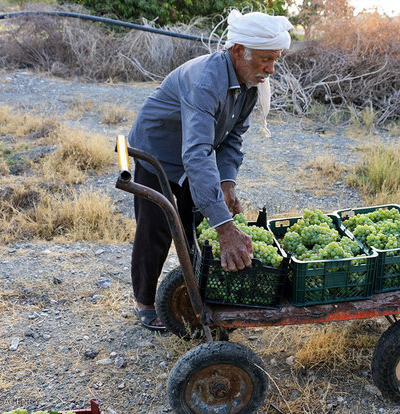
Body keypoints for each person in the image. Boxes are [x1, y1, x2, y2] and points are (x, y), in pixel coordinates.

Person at [126, 10, 293, 331]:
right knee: (158, 227)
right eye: (265, 59)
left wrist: (227, 184)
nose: (271, 69)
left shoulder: (248, 82)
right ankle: (145, 303)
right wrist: (226, 227)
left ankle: (190, 290)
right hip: (157, 149)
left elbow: (232, 139)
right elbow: (197, 155)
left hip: (191, 151)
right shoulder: (206, 82)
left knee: (194, 221)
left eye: (276, 60)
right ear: (237, 52)